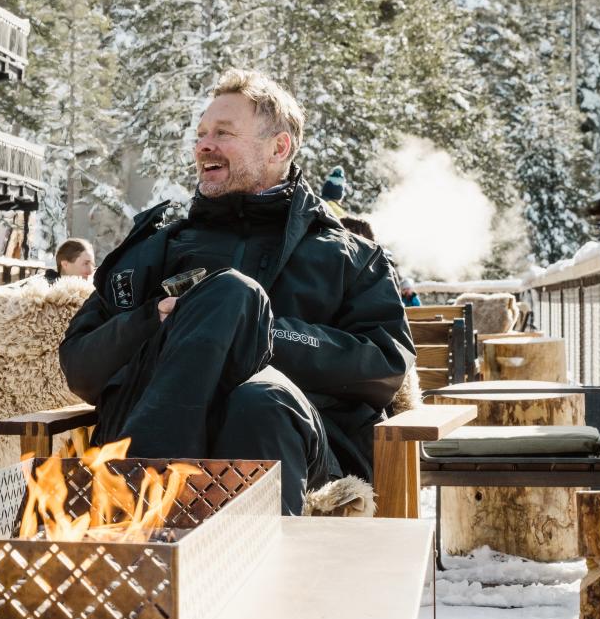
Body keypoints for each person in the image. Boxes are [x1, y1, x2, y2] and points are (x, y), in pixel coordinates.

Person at [58, 68, 412, 514]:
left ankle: (143, 504)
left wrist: (258, 333)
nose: (204, 145)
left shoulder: (348, 256)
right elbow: (79, 365)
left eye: (223, 133)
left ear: (278, 147)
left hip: (299, 449)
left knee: (259, 393)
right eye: (202, 133)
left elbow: (384, 366)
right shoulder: (157, 243)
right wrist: (156, 321)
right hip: (142, 419)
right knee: (230, 301)